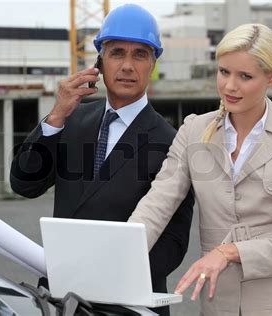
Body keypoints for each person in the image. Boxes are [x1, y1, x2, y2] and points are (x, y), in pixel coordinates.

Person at [128, 23, 272, 315]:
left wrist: (230, 252)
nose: (230, 86)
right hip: (219, 307)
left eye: (245, 76)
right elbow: (157, 204)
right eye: (224, 72)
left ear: (271, 77)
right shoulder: (193, 130)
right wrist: (119, 257)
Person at [10, 4, 194, 315]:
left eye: (140, 55)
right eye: (117, 53)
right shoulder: (71, 119)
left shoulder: (172, 142)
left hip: (129, 305)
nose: (127, 65)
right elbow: (24, 184)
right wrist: (55, 117)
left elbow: (174, 241)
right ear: (99, 61)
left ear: (153, 64)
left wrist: (109, 277)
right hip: (65, 301)